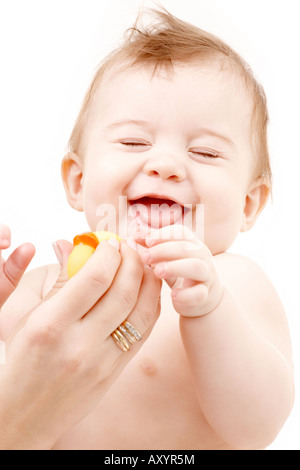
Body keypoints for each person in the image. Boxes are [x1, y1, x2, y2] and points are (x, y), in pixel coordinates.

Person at [3, 9, 294, 450]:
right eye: (133, 142)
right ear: (78, 182)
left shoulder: (234, 282)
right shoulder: (43, 283)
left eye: (205, 152)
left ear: (248, 204)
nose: (165, 164)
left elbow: (257, 429)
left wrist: (209, 309)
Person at [0, 226, 161, 449]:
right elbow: (10, 354)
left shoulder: (212, 285)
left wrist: (209, 307)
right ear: (76, 190)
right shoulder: (41, 280)